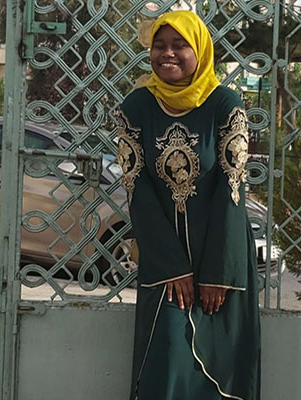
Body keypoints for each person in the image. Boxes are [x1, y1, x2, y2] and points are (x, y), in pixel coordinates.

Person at [116, 10, 261, 400]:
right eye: (159, 46)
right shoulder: (136, 108)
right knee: (165, 363)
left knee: (223, 369)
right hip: (165, 264)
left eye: (179, 45)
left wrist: (218, 271)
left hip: (221, 261)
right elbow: (137, 189)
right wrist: (171, 267)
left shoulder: (226, 105)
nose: (168, 54)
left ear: (199, 49)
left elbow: (232, 189)